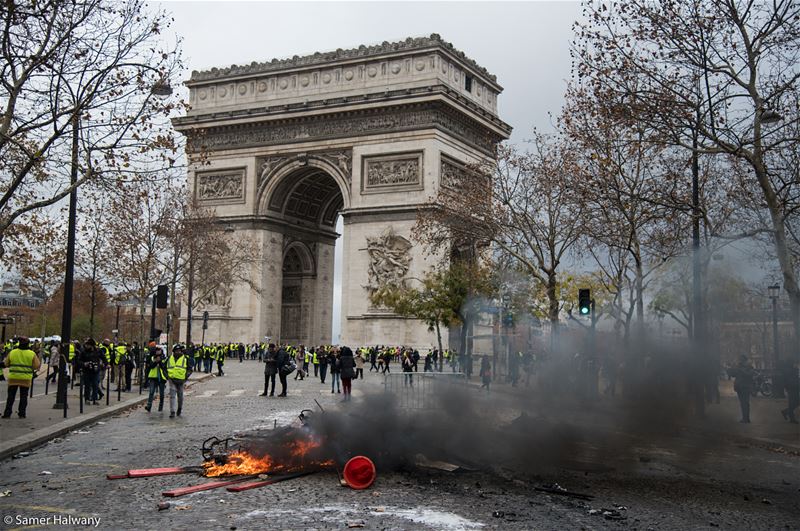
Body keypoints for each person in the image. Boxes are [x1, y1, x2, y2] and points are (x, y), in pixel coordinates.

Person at [2, 337, 40, 419]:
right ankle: (22, 413)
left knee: (11, 397)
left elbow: (6, 364)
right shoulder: (31, 353)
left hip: (13, 378)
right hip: (25, 378)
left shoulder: (13, 352)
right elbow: (37, 366)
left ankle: (7, 413)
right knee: (23, 396)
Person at [728, 355, 755, 423]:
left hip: (745, 387)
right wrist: (731, 367)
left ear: (745, 360)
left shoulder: (749, 367)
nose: (740, 361)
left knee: (745, 403)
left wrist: (740, 369)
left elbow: (749, 374)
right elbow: (732, 374)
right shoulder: (738, 367)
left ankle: (746, 418)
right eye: (740, 359)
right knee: (743, 403)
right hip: (740, 387)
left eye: (741, 359)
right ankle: (745, 418)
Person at [167, 344, 190, 418]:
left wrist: (185, 377)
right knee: (172, 396)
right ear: (173, 352)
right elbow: (164, 367)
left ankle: (179, 408)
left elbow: (190, 369)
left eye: (179, 351)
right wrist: (167, 376)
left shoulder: (185, 359)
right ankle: (172, 411)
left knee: (180, 396)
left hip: (181, 380)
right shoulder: (169, 358)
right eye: (176, 351)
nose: (178, 352)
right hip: (172, 379)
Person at [79, 339, 103, 405]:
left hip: (95, 370)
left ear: (91, 345)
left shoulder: (98, 351)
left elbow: (104, 358)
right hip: (86, 370)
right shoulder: (83, 352)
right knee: (87, 385)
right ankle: (87, 399)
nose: (86, 346)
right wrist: (84, 364)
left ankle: (95, 399)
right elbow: (79, 361)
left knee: (95, 385)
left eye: (87, 345)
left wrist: (105, 364)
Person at [144, 347, 167, 413]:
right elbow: (151, 366)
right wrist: (155, 361)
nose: (158, 352)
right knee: (151, 392)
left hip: (161, 378)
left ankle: (160, 407)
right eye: (157, 351)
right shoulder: (152, 358)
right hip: (153, 377)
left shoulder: (164, 358)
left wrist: (159, 361)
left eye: (159, 351)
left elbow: (163, 367)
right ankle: (149, 406)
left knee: (161, 394)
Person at [780, 359, 799, 424]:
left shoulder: (788, 369)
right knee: (795, 402)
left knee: (793, 403)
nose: (795, 364)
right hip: (793, 388)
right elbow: (793, 379)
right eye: (794, 362)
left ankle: (787, 413)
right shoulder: (791, 370)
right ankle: (789, 416)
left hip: (792, 388)